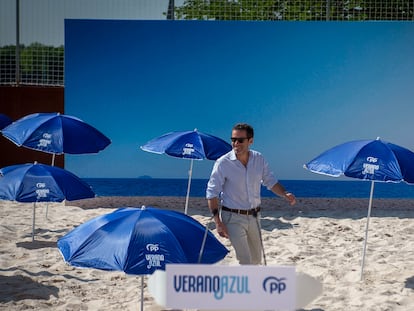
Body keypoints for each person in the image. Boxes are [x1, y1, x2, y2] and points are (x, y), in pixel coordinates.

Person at [206, 123, 296, 265]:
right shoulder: (223, 163)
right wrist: (218, 222)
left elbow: (270, 181)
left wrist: (285, 193)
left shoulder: (258, 159)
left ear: (250, 141)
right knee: (245, 260)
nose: (236, 143)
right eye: (233, 139)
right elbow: (211, 193)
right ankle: (246, 286)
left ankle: (250, 285)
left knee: (256, 260)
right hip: (232, 217)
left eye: (240, 140)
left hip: (254, 216)